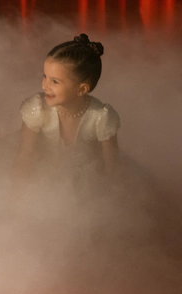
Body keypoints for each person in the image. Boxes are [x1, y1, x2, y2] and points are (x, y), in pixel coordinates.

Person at [12, 33, 120, 192]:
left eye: (55, 81)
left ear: (82, 89)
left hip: (87, 183)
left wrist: (109, 195)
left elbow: (112, 168)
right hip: (44, 175)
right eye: (45, 76)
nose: (44, 86)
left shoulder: (101, 117)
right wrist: (17, 195)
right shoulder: (38, 109)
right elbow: (25, 156)